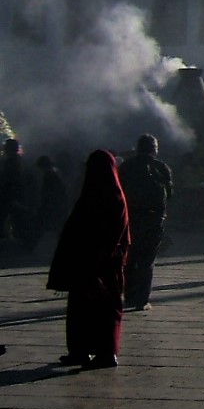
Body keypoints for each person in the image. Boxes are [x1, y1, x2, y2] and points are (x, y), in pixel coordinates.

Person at [46, 149, 130, 370]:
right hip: (87, 263)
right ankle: (80, 351)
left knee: (103, 310)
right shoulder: (98, 194)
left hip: (101, 264)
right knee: (80, 310)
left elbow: (112, 235)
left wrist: (96, 263)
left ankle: (106, 353)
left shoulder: (111, 196)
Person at [118, 134, 173, 311]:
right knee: (147, 260)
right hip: (154, 219)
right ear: (154, 149)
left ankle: (129, 295)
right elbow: (169, 194)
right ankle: (142, 300)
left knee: (130, 258)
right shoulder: (161, 167)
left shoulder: (126, 166)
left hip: (131, 218)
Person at [31, 155, 68, 249]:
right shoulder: (55, 175)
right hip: (55, 207)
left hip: (51, 207)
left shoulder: (50, 177)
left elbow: (49, 194)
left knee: (42, 226)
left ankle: (31, 245)